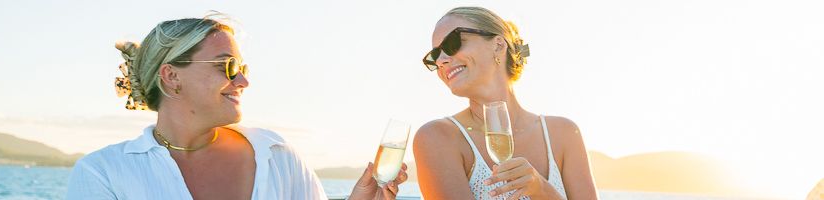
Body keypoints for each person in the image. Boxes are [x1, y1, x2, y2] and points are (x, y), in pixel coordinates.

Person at [67, 13, 407, 200]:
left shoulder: (276, 155)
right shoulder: (104, 173)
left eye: (242, 69)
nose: (243, 82)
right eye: (228, 66)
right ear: (171, 76)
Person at [413, 7, 598, 199]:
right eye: (435, 55)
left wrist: (543, 191)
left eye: (452, 44)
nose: (442, 60)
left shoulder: (564, 133)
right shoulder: (437, 138)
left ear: (499, 46)